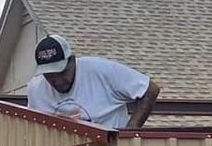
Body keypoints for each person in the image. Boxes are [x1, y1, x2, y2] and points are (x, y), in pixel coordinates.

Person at [25, 33, 161, 130]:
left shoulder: (101, 71)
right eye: (49, 75)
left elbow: (150, 89)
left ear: (72, 61)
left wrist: (130, 131)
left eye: (61, 72)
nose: (58, 81)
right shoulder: (35, 89)